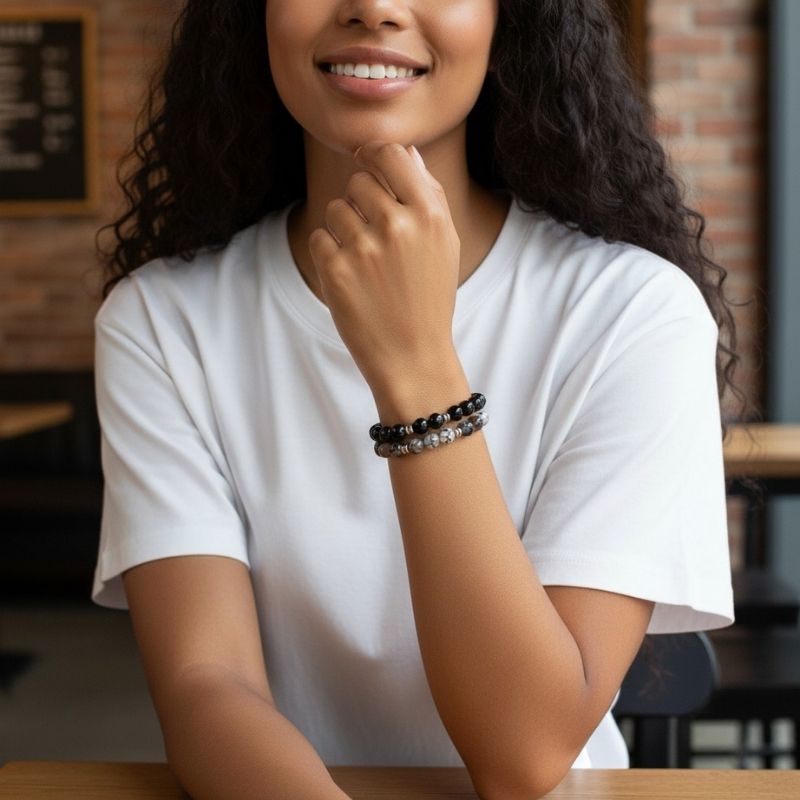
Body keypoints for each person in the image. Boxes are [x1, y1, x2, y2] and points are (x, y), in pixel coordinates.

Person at [92, 1, 740, 798]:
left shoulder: (633, 311)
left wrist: (417, 365)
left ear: (513, 20)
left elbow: (525, 754)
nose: (374, 6)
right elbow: (207, 686)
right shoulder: (161, 321)